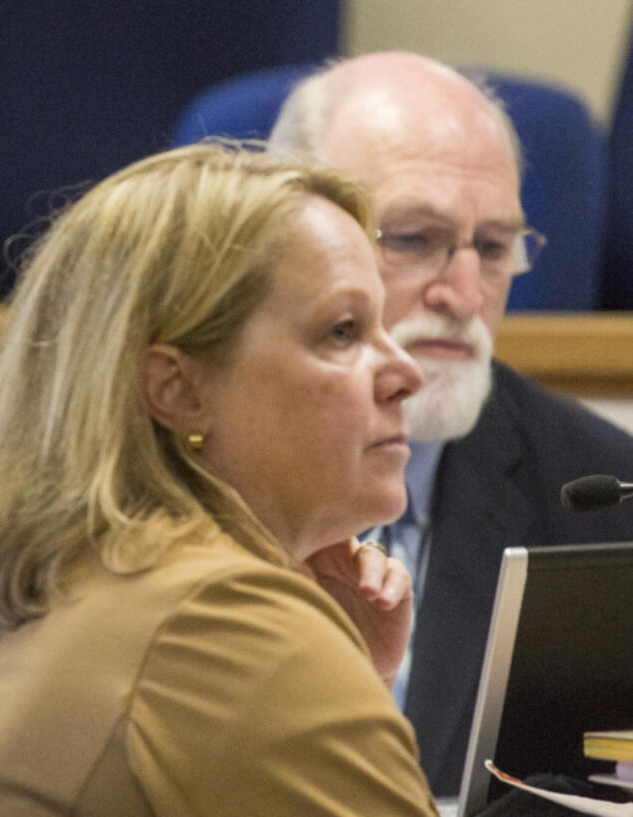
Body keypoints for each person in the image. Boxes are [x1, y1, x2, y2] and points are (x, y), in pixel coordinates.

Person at [0, 142, 437, 816]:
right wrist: (308, 659)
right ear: (176, 387)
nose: (406, 372)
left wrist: (350, 674)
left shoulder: (60, 578)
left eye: (383, 326)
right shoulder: (218, 620)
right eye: (342, 331)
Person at [266, 51, 633, 794]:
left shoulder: (597, 498)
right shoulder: (120, 444)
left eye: (494, 248)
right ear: (275, 232)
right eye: (412, 237)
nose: (466, 293)